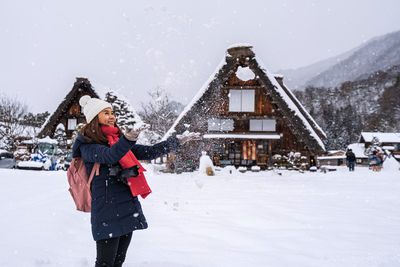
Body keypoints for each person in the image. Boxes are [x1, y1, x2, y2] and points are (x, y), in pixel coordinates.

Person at [72, 95, 196, 267]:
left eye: (112, 112)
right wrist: (128, 140)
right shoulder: (87, 145)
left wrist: (177, 142)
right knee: (105, 263)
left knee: (118, 261)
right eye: (106, 113)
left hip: (126, 206)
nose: (112, 116)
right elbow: (110, 156)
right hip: (106, 210)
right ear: (94, 118)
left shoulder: (116, 140)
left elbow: (150, 152)